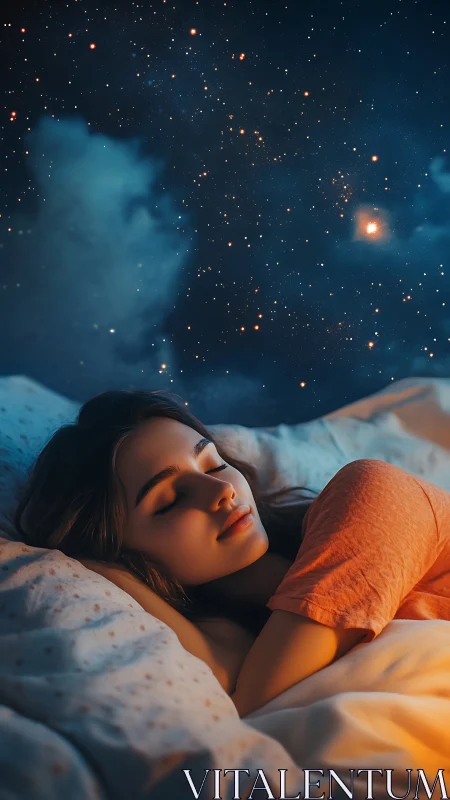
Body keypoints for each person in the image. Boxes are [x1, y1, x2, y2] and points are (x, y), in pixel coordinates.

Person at [14, 390, 450, 718]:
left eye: (214, 464)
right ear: (125, 551)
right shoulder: (240, 636)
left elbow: (250, 702)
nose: (221, 491)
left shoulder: (369, 493)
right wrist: (106, 571)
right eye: (170, 500)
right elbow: (219, 680)